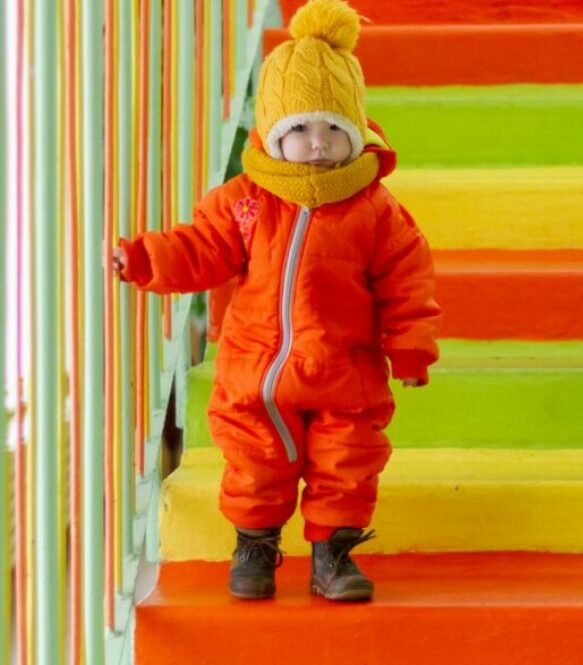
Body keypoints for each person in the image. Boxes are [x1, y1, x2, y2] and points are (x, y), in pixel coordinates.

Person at [112, 0, 441, 602]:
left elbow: (407, 280)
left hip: (347, 368)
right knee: (254, 462)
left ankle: (333, 554)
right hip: (255, 370)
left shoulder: (375, 210)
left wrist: (411, 348)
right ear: (270, 133)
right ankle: (255, 543)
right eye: (299, 131)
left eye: (333, 130)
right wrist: (145, 259)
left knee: (349, 460)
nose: (317, 146)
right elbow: (200, 249)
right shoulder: (243, 201)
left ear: (358, 131)